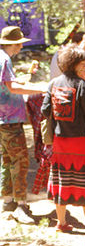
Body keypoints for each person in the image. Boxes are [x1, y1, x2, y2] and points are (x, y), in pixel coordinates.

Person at [41, 44, 85, 233]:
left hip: (60, 142)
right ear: (74, 64)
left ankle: (61, 223)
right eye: (82, 65)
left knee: (62, 179)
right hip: (81, 142)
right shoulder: (81, 84)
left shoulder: (53, 84)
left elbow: (45, 111)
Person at [0, 26, 47, 223]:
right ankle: (21, 205)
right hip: (10, 119)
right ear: (14, 44)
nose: (20, 47)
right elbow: (12, 87)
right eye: (20, 43)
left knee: (7, 160)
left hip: (3, 119)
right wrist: (40, 88)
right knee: (20, 162)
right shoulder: (5, 59)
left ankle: (7, 200)